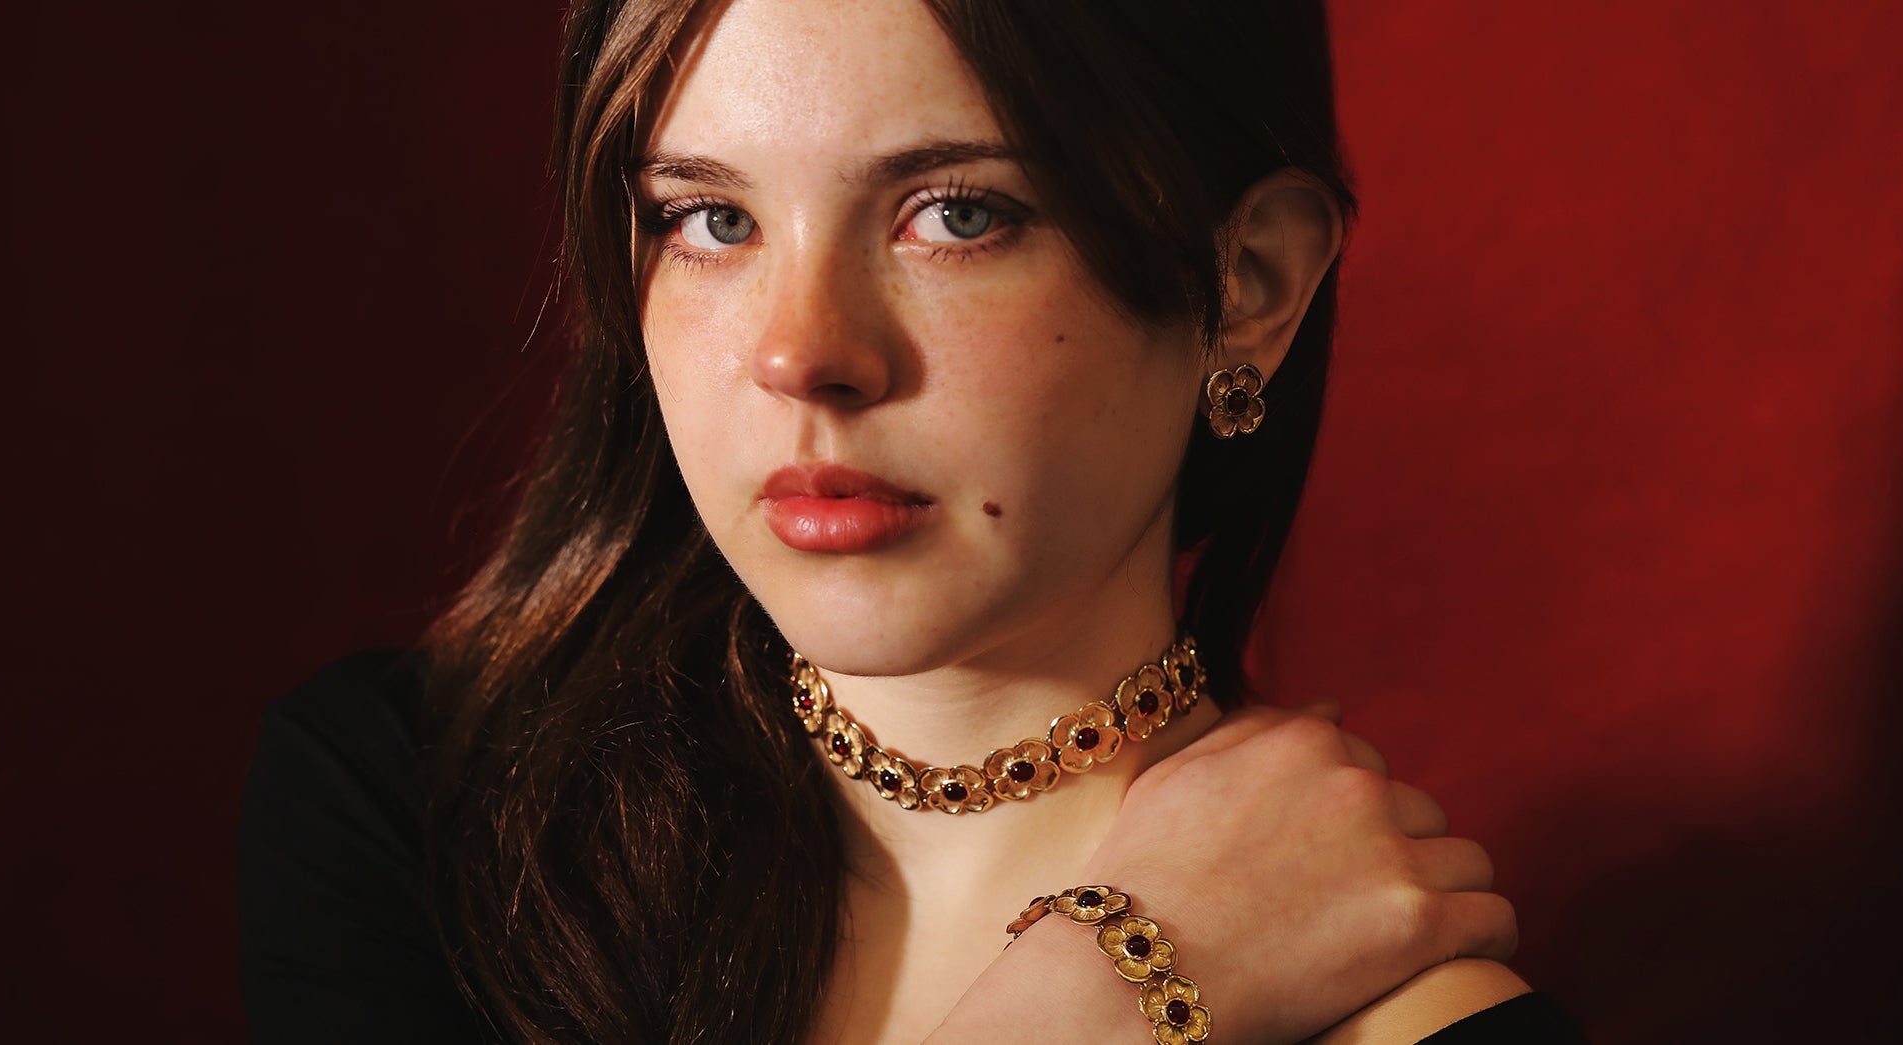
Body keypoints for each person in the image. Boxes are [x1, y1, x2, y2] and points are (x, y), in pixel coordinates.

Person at [239, 1, 1593, 1042]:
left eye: (955, 213)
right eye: (710, 218)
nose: (802, 352)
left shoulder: (1412, 1013)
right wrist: (1113, 982)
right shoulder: (413, 811)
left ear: (1248, 284)